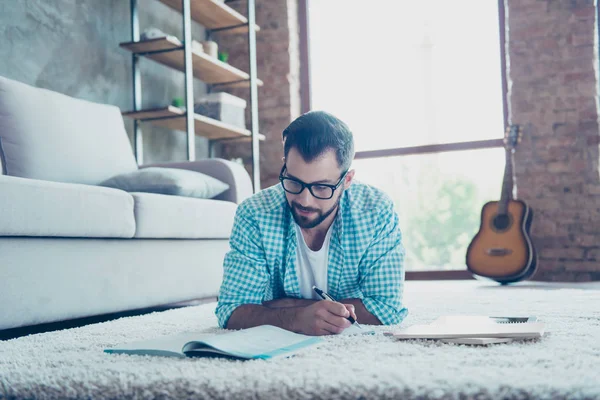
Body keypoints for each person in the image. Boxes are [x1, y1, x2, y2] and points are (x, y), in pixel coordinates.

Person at [215, 111, 407, 336]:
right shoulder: (254, 214)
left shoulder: (376, 211)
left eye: (322, 187)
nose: (304, 200)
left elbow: (388, 308)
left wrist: (281, 307)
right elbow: (231, 311)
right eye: (294, 182)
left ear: (346, 180)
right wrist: (296, 319)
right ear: (285, 165)